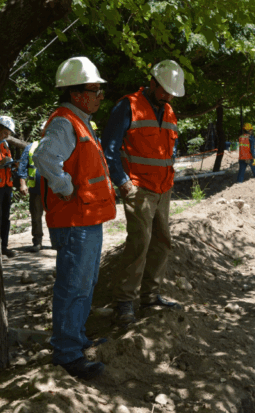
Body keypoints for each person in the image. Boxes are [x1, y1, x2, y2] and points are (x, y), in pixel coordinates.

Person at [33, 56, 116, 379]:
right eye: (96, 90)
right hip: (74, 220)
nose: (100, 96)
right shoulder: (65, 122)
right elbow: (45, 157)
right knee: (73, 283)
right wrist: (65, 188)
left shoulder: (79, 120)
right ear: (77, 93)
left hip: (87, 217)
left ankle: (77, 339)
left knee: (85, 282)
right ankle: (67, 352)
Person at [102, 59, 185, 325]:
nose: (167, 95)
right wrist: (123, 182)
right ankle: (125, 301)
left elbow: (169, 150)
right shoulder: (128, 106)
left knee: (162, 242)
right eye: (163, 90)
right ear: (152, 82)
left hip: (163, 189)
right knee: (140, 242)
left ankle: (150, 295)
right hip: (138, 188)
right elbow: (110, 148)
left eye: (171, 92)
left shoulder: (169, 111)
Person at [17, 121, 47, 252]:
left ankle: (58, 242)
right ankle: (37, 242)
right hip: (36, 188)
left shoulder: (58, 145)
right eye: (43, 130)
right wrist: (22, 184)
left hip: (53, 189)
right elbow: (22, 167)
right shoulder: (31, 147)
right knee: (36, 216)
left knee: (56, 216)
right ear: (41, 132)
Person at [0, 116, 17, 258]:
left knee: (5, 217)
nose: (6, 136)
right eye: (4, 133)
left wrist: (13, 164)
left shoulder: (5, 144)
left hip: (6, 186)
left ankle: (3, 247)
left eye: (8, 134)